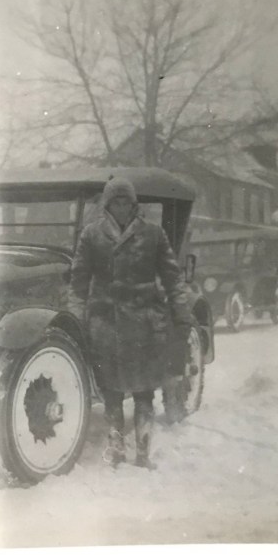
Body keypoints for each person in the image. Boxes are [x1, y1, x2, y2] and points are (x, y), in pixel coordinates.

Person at [69, 176, 192, 469]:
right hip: (105, 324)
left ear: (134, 204)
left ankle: (143, 452)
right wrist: (76, 317)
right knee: (111, 391)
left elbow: (173, 277)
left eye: (126, 201)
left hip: (145, 323)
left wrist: (181, 311)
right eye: (116, 201)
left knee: (144, 391)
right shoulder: (91, 235)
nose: (122, 207)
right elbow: (78, 282)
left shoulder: (153, 234)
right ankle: (115, 448)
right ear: (107, 204)